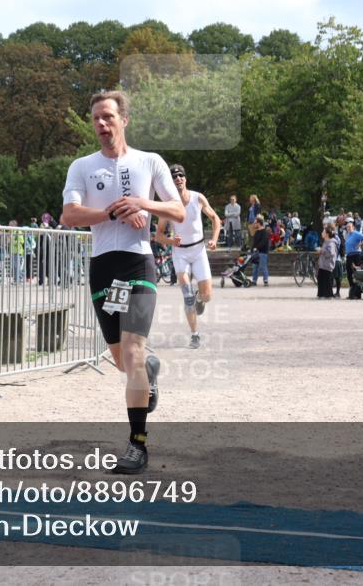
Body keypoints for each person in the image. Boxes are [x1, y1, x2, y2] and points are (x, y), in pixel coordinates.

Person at [61, 90, 184, 475]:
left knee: (131, 352)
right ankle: (149, 368)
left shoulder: (150, 161)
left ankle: (137, 445)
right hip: (103, 267)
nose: (101, 124)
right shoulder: (82, 165)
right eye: (96, 118)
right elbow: (69, 215)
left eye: (108, 117)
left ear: (124, 120)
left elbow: (178, 210)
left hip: (138, 265)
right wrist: (112, 211)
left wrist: (144, 204)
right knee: (122, 361)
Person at [155, 164, 220, 349]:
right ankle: (195, 334)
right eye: (174, 177)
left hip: (199, 251)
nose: (177, 179)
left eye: (180, 176)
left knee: (207, 296)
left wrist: (214, 240)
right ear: (171, 181)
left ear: (185, 179)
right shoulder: (168, 205)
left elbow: (215, 218)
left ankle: (201, 299)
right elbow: (158, 235)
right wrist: (170, 241)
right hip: (180, 253)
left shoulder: (197, 198)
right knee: (187, 295)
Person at [344, 219, 363, 299]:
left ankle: (357, 293)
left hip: (356, 255)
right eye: (347, 227)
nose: (348, 228)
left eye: (349, 227)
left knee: (357, 274)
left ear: (353, 227)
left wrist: (360, 244)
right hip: (349, 256)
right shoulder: (348, 235)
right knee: (349, 274)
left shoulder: (356, 233)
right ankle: (352, 291)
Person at [316, 224, 338, 299]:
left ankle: (328, 295)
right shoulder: (326, 241)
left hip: (327, 265)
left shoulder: (331, 242)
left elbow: (331, 253)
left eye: (323, 232)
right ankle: (321, 294)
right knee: (321, 279)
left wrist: (322, 251)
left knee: (327, 280)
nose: (322, 233)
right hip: (323, 264)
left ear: (327, 234)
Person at [251, 215, 270, 286]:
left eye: (255, 223)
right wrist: (252, 249)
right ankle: (254, 280)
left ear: (259, 223)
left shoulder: (264, 232)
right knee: (255, 267)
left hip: (262, 252)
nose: (254, 224)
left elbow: (263, 242)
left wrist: (257, 248)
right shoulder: (256, 232)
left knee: (263, 266)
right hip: (255, 252)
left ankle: (265, 280)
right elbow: (254, 242)